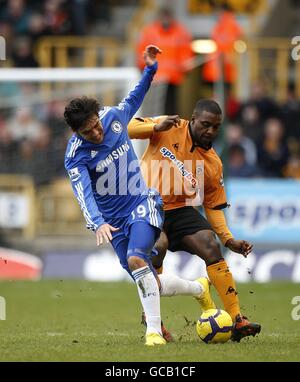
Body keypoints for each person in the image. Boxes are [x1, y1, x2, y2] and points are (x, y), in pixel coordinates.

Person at [64, 46, 215, 347]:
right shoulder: (75, 156)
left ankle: (154, 332)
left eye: (96, 125)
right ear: (76, 132)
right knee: (148, 280)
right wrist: (97, 223)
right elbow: (82, 192)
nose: (96, 133)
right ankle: (199, 290)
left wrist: (150, 69)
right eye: (88, 131)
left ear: (98, 116)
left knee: (137, 259)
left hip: (142, 202)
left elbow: (135, 96)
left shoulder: (113, 117)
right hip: (113, 221)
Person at [128, 100, 262, 342]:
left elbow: (213, 205)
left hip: (181, 209)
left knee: (210, 244)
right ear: (193, 119)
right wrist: (157, 126)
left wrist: (228, 239)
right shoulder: (170, 126)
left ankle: (237, 318)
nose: (210, 130)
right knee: (157, 248)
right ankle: (153, 321)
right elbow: (129, 128)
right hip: (147, 204)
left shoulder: (212, 162)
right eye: (205, 124)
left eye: (216, 126)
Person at [136, 7, 193, 115]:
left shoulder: (181, 33)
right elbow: (141, 53)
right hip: (154, 79)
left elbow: (186, 54)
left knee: (170, 108)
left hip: (172, 79)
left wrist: (185, 67)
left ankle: (169, 130)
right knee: (152, 108)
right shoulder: (150, 32)